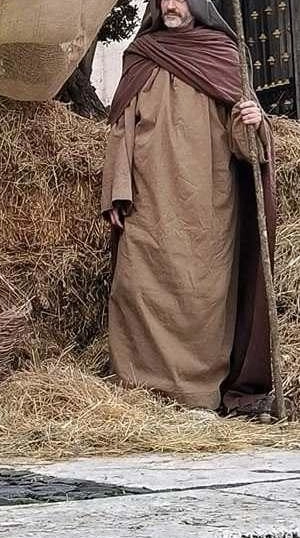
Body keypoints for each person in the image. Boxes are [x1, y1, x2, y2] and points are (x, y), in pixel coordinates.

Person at [103, 0, 276, 414]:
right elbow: (121, 129)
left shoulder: (223, 55)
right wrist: (116, 190)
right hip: (148, 199)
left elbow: (246, 145)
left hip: (206, 205)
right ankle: (137, 390)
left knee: (201, 299)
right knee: (134, 287)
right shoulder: (142, 55)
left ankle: (196, 395)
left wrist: (253, 121)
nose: (170, 5)